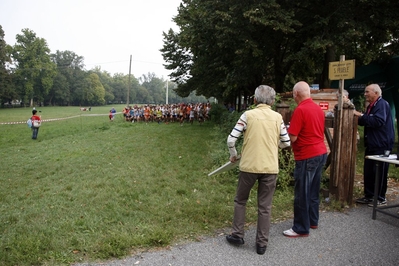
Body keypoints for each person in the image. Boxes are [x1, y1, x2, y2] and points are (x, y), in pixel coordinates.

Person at [225, 85, 290, 255]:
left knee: (241, 200)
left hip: (249, 166)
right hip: (270, 167)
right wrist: (273, 146)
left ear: (254, 100)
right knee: (265, 206)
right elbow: (287, 142)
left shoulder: (247, 115)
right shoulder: (277, 117)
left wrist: (234, 154)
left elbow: (231, 140)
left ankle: (237, 234)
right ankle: (261, 244)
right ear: (272, 101)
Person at [283, 81, 327, 238]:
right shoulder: (317, 109)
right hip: (321, 152)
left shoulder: (300, 110)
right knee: (314, 190)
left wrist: (286, 131)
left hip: (306, 155)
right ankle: (313, 220)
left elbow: (293, 137)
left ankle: (301, 227)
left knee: (302, 192)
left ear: (296, 94)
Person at [354, 84, 395, 206]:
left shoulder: (381, 104)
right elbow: (367, 120)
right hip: (372, 143)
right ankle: (369, 195)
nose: (365, 94)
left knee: (380, 171)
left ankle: (381, 198)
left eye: (367, 92)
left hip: (382, 144)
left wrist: (361, 115)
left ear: (376, 93)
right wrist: (357, 117)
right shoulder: (372, 106)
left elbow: (377, 121)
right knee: (369, 170)